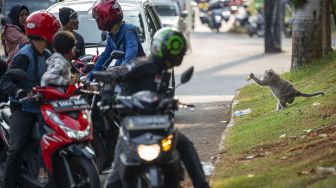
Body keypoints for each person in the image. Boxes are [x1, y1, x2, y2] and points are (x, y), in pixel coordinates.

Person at [103, 27, 210, 188]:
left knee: (185, 145)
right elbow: (113, 74)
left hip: (158, 123)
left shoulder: (164, 70)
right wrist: (107, 97)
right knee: (117, 173)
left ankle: (201, 184)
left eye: (178, 54)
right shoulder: (141, 65)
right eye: (173, 54)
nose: (176, 58)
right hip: (133, 124)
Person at [0, 11, 61, 188]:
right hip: (24, 109)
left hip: (45, 107)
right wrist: (18, 91)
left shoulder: (48, 53)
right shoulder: (24, 55)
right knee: (16, 148)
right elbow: (5, 81)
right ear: (45, 32)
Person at [87, 0, 145, 80]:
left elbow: (131, 54)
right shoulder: (111, 36)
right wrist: (90, 76)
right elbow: (104, 57)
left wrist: (120, 71)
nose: (97, 22)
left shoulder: (128, 31)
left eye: (98, 19)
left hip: (138, 77)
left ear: (106, 16)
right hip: (125, 76)